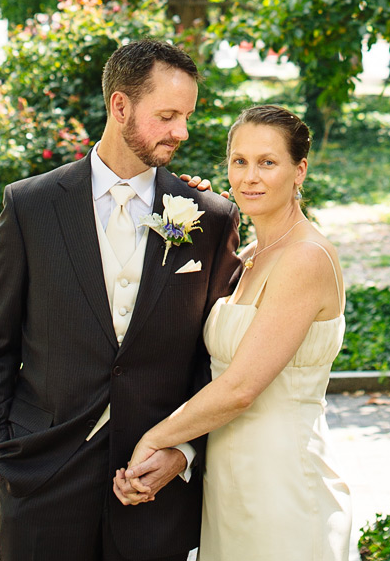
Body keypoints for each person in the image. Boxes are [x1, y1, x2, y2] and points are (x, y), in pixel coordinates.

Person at [0, 38, 240, 561]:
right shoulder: (31, 207)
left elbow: (216, 358)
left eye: (186, 117)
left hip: (150, 487)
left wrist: (183, 453)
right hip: (42, 481)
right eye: (166, 116)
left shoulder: (207, 216)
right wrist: (0, 452)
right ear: (120, 106)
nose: (180, 132)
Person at [115, 103, 352, 561]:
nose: (250, 177)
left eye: (268, 162)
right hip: (228, 481)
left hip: (283, 484)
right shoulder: (248, 256)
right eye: (239, 161)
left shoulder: (305, 258)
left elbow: (241, 388)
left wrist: (153, 439)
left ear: (299, 169)